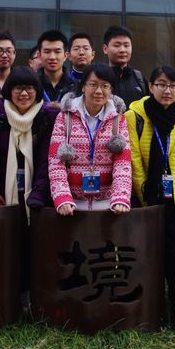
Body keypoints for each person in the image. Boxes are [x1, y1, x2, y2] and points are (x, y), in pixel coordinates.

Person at [0, 66, 58, 310]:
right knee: (6, 243)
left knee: (33, 245)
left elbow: (48, 160)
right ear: (9, 90)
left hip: (36, 195)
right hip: (4, 194)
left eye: (29, 88)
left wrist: (38, 194)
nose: (24, 93)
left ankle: (30, 295)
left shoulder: (48, 117)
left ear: (37, 91)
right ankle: (7, 294)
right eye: (18, 88)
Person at [125, 66, 175, 310]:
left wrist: (169, 195)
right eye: (161, 84)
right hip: (140, 193)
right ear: (150, 87)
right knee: (142, 248)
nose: (167, 90)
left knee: (173, 246)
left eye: (172, 86)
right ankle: (146, 304)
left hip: (168, 193)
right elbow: (134, 160)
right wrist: (145, 197)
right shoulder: (134, 116)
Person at [48, 63, 132, 214]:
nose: (99, 91)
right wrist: (62, 198)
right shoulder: (65, 117)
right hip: (71, 206)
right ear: (83, 87)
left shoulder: (118, 119)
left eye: (105, 86)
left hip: (108, 206)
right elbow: (55, 161)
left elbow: (123, 163)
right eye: (93, 85)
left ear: (111, 90)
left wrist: (120, 198)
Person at [102, 26, 148, 108]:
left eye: (126, 46)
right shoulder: (100, 77)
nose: (122, 50)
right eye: (117, 45)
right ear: (105, 49)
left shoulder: (139, 78)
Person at [37, 30, 74, 105]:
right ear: (39, 55)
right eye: (47, 52)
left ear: (65, 55)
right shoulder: (32, 84)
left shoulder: (75, 86)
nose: (52, 57)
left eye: (57, 52)